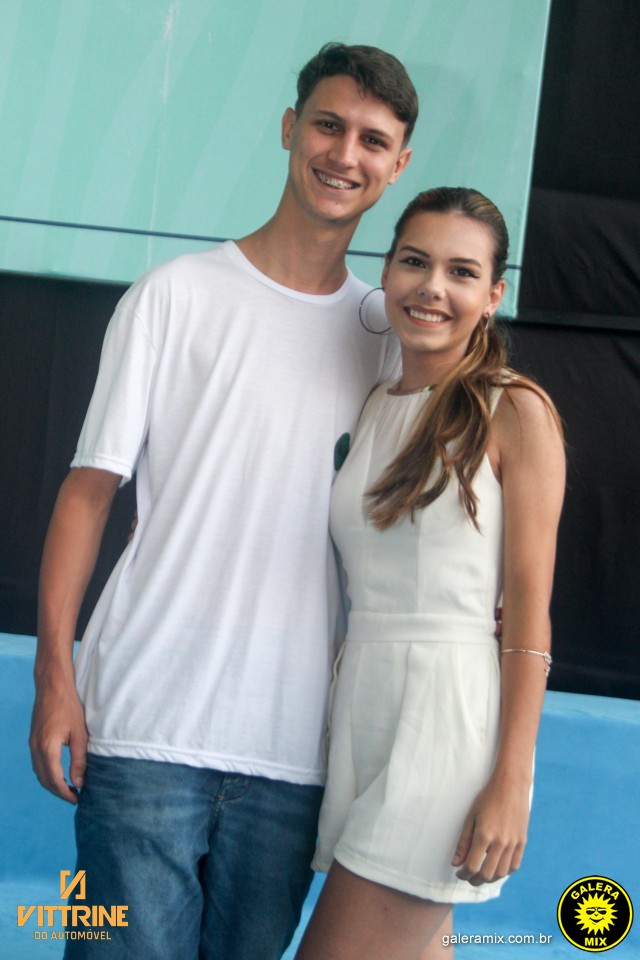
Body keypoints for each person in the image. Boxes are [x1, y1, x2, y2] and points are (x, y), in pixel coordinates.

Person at [28, 43, 417, 960]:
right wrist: (54, 677)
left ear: (398, 165)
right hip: (140, 733)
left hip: (296, 755)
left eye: (372, 140)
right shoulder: (174, 296)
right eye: (327, 125)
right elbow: (87, 494)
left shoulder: (391, 339)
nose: (344, 154)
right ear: (289, 129)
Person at [294, 187, 566, 960]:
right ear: (387, 270)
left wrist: (511, 779)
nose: (432, 288)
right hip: (364, 708)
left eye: (461, 271)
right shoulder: (373, 404)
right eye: (415, 262)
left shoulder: (516, 410)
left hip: (449, 723)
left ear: (494, 294)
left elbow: (530, 616)